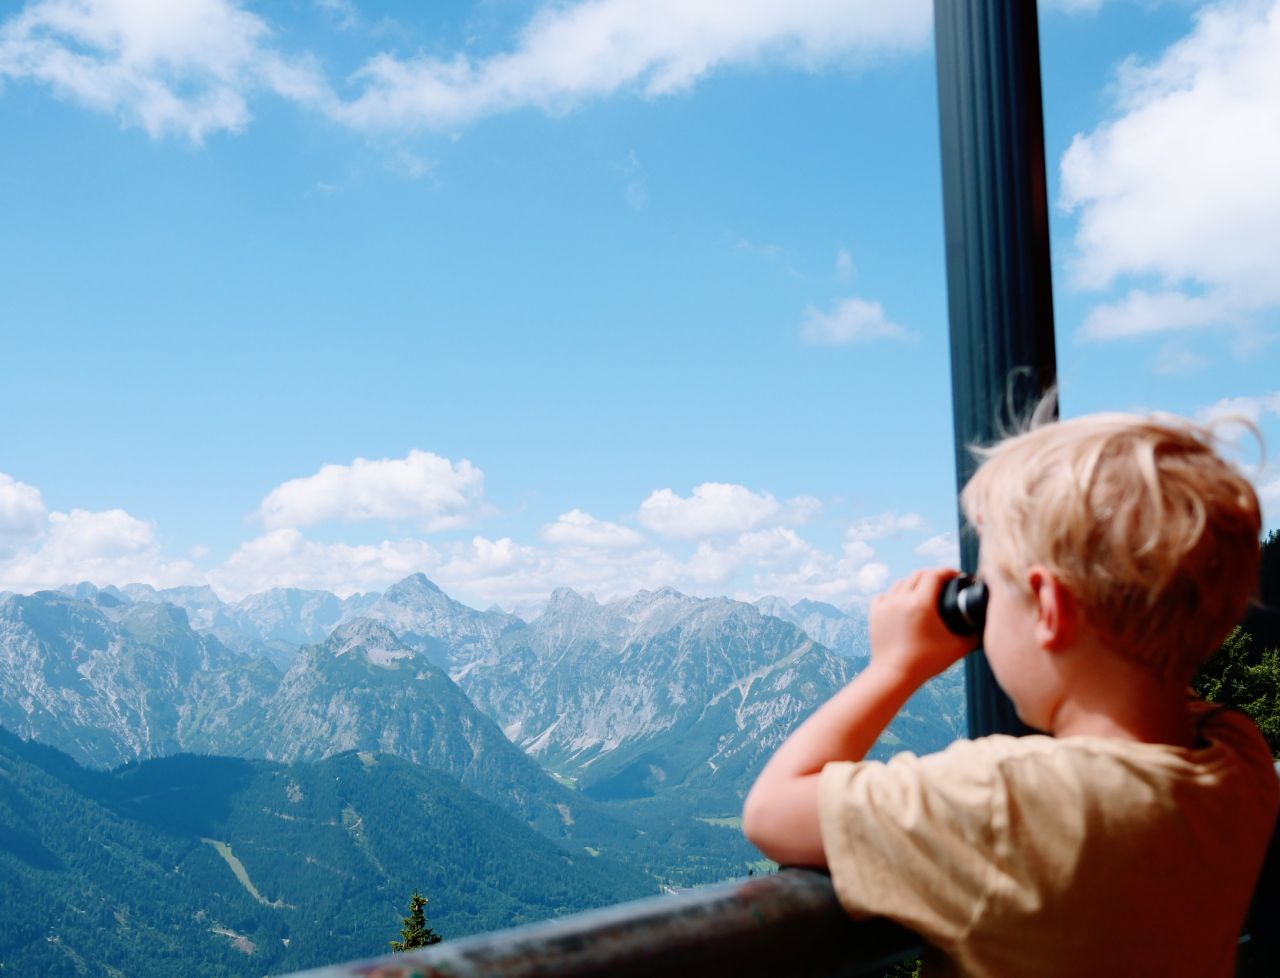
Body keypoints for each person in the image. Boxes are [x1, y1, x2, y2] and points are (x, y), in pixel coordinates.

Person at [742, 412, 1279, 977]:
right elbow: (1157, 665)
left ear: (1048, 607)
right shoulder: (1238, 761)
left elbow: (771, 811)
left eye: (989, 593)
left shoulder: (1003, 801)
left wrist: (896, 666)